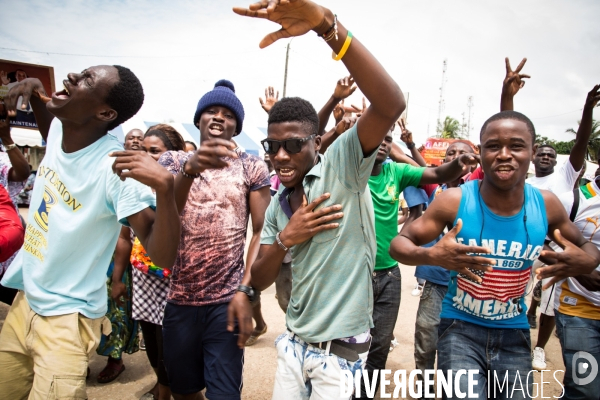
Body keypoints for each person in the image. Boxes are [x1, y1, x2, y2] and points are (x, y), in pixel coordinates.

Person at [236, 1, 406, 397]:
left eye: (292, 145)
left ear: (316, 142)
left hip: (340, 356)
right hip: (293, 346)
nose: (280, 156)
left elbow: (391, 103)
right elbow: (259, 279)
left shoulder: (343, 165)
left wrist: (327, 27)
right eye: (272, 145)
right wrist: (285, 239)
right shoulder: (279, 203)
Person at [0, 64, 184, 399]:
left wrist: (165, 190)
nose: (72, 77)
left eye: (86, 80)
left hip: (65, 321)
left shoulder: (115, 167)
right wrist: (38, 90)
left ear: (104, 112)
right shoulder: (59, 131)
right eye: (80, 72)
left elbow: (164, 254)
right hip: (24, 300)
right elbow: (50, 124)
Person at [390, 109, 600, 399]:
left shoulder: (546, 205)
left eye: (515, 146)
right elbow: (399, 244)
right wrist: (433, 256)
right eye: (493, 146)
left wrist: (588, 261)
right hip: (460, 329)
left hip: (514, 333)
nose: (504, 154)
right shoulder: (455, 200)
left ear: (531, 151)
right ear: (481, 153)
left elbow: (588, 248)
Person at [317, 81, 478, 398]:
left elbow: (432, 176)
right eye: (378, 135)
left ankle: (365, 393)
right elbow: (319, 150)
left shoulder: (396, 173)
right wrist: (340, 122)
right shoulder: (346, 169)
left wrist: (456, 165)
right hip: (352, 273)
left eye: (387, 139)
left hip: (389, 275)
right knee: (347, 341)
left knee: (379, 345)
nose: (382, 142)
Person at [158, 79, 271, 400]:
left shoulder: (251, 167)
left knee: (224, 394)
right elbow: (167, 216)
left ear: (236, 127)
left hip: (226, 303)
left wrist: (245, 291)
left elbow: (263, 229)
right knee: (185, 392)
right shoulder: (174, 162)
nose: (219, 117)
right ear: (198, 120)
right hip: (179, 302)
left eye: (228, 114)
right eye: (211, 111)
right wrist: (190, 170)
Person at [503, 60, 593, 371]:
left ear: (558, 161)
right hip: (529, 244)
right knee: (518, 290)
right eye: (541, 152)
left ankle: (539, 348)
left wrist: (587, 111)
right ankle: (512, 332)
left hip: (558, 246)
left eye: (551, 154)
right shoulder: (526, 183)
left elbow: (581, 142)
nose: (545, 156)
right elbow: (509, 131)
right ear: (533, 157)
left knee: (552, 300)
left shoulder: (566, 178)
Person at [411, 140, 475, 398]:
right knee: (426, 338)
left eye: (463, 154)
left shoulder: (477, 188)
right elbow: (415, 165)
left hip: (468, 281)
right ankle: (425, 388)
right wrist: (410, 144)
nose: (456, 157)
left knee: (460, 344)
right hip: (436, 279)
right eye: (451, 153)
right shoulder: (435, 188)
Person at [95, 126, 153, 385]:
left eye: (141, 139)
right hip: (100, 256)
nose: (136, 142)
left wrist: (117, 277)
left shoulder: (140, 178)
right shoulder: (113, 172)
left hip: (129, 260)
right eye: (132, 138)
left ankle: (114, 358)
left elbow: (123, 238)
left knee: (117, 310)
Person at [131, 125, 186, 400]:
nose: (147, 157)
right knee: (153, 348)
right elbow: (124, 236)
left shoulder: (184, 190)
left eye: (155, 151)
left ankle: (167, 390)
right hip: (144, 283)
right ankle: (161, 385)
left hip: (172, 288)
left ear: (174, 156)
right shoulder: (136, 189)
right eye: (144, 151)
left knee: (170, 354)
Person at [553, 139, 600, 399]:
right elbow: (548, 244)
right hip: (580, 309)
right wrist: (580, 271)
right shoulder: (578, 198)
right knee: (587, 388)